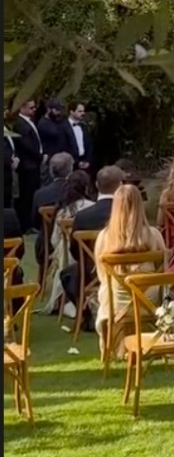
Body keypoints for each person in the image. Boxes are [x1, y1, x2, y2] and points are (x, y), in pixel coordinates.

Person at [93, 184, 166, 357]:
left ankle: (118, 347)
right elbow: (162, 272)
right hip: (149, 302)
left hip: (117, 302)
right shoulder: (154, 235)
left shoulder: (104, 237)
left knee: (106, 289)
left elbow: (102, 276)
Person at [59, 164, 125, 332]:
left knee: (67, 274)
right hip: (122, 269)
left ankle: (86, 314)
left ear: (96, 185)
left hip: (90, 272)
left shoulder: (83, 216)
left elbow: (75, 251)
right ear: (121, 185)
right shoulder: (127, 213)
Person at [41, 169, 95, 315]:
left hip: (68, 258)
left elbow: (54, 241)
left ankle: (70, 303)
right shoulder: (92, 207)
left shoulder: (62, 211)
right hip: (92, 257)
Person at [31, 151, 75, 264]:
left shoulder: (40, 194)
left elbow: (35, 223)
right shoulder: (76, 193)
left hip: (46, 245)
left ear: (51, 170)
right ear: (70, 170)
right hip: (73, 244)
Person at [13, 99, 43, 231]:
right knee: (27, 196)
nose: (34, 109)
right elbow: (26, 145)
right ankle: (27, 224)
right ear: (22, 108)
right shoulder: (20, 124)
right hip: (27, 166)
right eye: (31, 108)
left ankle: (31, 223)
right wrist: (40, 156)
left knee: (32, 195)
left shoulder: (29, 122)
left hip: (33, 164)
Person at [67, 102, 93, 173]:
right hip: (71, 164)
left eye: (83, 111)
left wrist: (88, 160)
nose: (83, 113)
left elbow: (88, 144)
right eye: (80, 111)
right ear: (71, 112)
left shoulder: (83, 126)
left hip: (85, 163)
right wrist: (77, 162)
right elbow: (64, 147)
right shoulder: (63, 127)